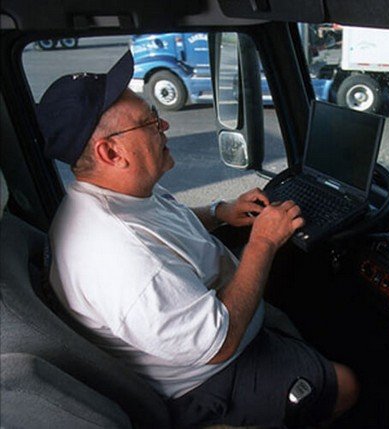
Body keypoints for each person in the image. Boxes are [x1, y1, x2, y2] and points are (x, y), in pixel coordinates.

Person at [36, 51, 359, 428]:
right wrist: (262, 243)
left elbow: (164, 229)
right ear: (111, 152)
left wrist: (220, 211)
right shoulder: (119, 257)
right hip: (207, 382)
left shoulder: (114, 196)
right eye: (150, 121)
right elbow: (218, 346)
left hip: (211, 334)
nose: (165, 125)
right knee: (346, 385)